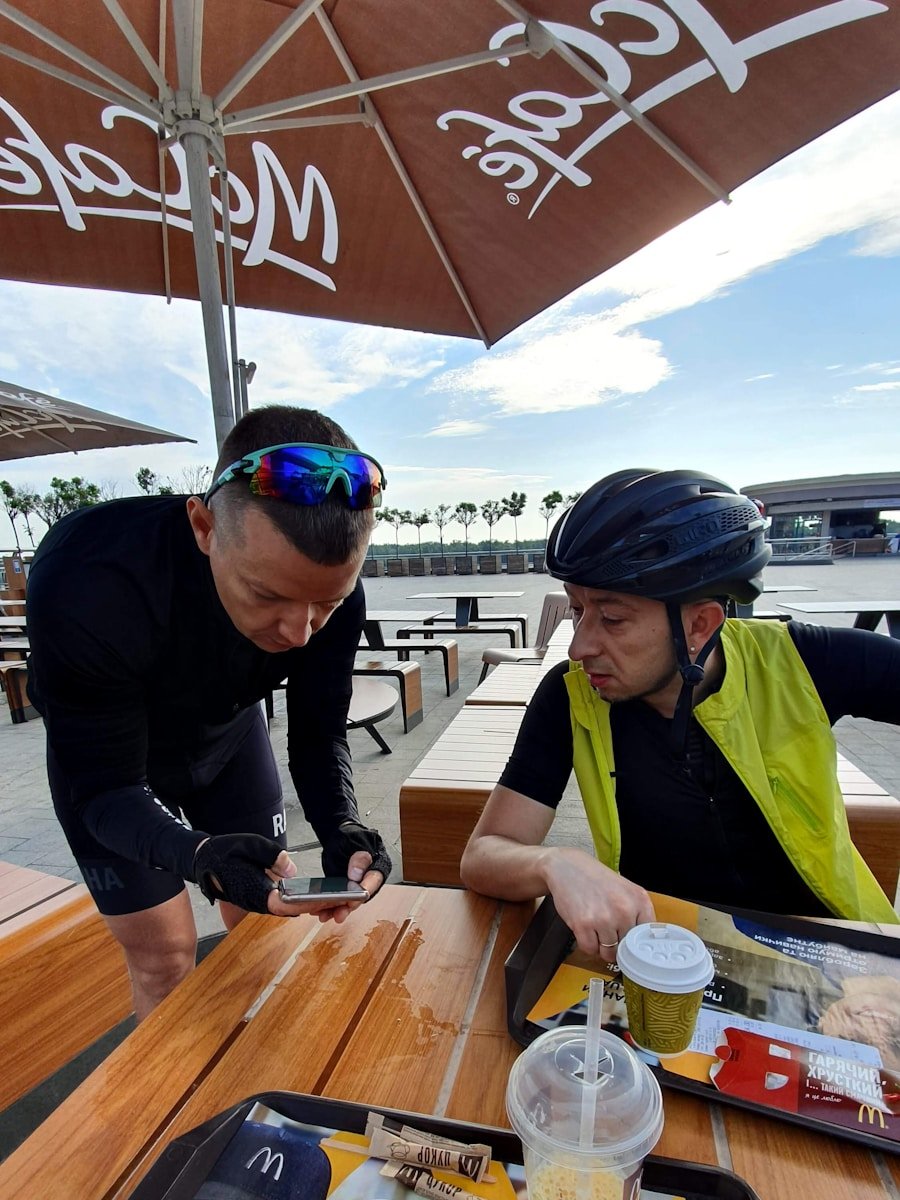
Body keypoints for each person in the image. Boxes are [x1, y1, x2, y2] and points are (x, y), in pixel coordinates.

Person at [26, 405, 392, 1019]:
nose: (299, 632)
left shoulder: (334, 593)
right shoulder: (88, 576)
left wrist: (342, 826)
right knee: (164, 957)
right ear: (202, 526)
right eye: (267, 595)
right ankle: (176, 1112)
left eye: (325, 603)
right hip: (112, 770)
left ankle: (256, 1084)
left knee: (262, 928)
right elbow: (104, 789)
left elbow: (317, 734)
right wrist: (198, 857)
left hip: (227, 740)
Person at [461, 469, 899, 960]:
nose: (580, 646)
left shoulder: (803, 662)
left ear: (699, 623)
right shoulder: (570, 697)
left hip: (836, 957)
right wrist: (553, 863)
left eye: (612, 618)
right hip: (668, 961)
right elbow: (482, 855)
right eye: (577, 610)